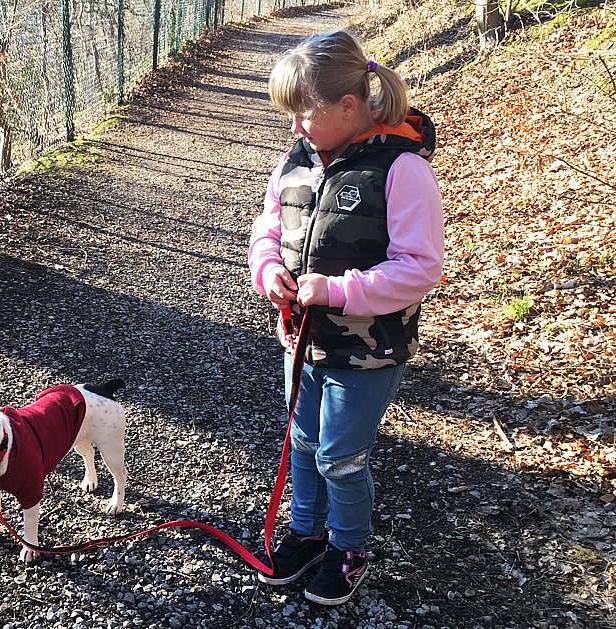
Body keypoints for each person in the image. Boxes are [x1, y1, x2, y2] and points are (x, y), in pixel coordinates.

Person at [248, 29, 444, 606]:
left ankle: (349, 546)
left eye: (303, 114)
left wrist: (337, 290)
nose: (293, 128)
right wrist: (266, 270)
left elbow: (420, 266)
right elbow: (268, 229)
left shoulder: (402, 170)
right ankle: (306, 532)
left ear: (349, 106)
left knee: (340, 454)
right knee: (301, 443)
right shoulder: (296, 160)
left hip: (368, 351)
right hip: (300, 341)